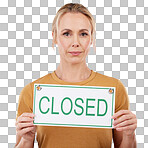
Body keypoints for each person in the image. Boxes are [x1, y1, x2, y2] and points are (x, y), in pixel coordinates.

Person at [15, 3, 137, 148]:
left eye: (83, 34)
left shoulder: (114, 88)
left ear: (91, 38)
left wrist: (129, 134)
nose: (75, 43)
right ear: (54, 37)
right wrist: (26, 140)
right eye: (67, 33)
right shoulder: (32, 91)